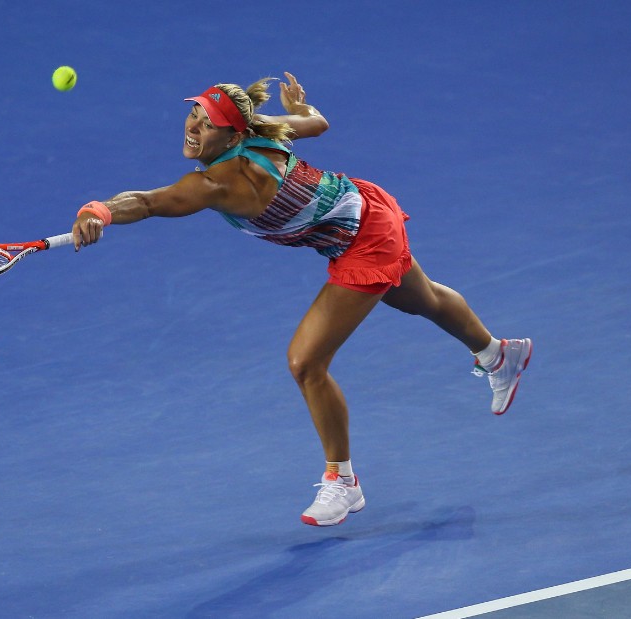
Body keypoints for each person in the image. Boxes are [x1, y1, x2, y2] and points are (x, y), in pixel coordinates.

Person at [71, 72, 532, 527]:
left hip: (362, 240)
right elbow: (318, 122)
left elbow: (148, 202)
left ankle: (343, 481)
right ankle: (497, 354)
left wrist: (100, 210)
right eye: (194, 114)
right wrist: (297, 110)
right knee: (420, 298)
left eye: (206, 123)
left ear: (233, 133)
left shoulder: (213, 185)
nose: (193, 127)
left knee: (306, 363)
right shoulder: (262, 131)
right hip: (363, 207)